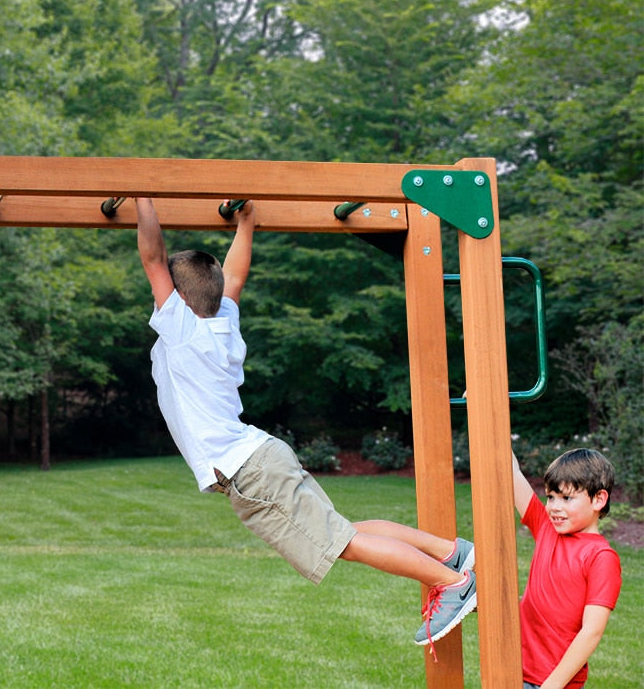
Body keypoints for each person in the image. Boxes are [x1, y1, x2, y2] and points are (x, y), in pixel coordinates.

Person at [135, 197, 477, 653]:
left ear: (177, 299)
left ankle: (453, 582)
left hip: (249, 472)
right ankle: (450, 553)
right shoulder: (221, 322)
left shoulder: (182, 330)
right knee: (345, 531)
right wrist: (246, 224)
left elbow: (154, 258)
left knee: (344, 542)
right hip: (261, 458)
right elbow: (233, 276)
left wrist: (141, 194)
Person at [513, 448, 622, 688]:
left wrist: (551, 685)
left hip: (555, 682)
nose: (554, 506)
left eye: (566, 498)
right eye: (551, 497)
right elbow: (512, 474)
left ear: (598, 499)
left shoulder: (601, 557)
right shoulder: (546, 528)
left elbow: (591, 631)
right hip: (514, 670)